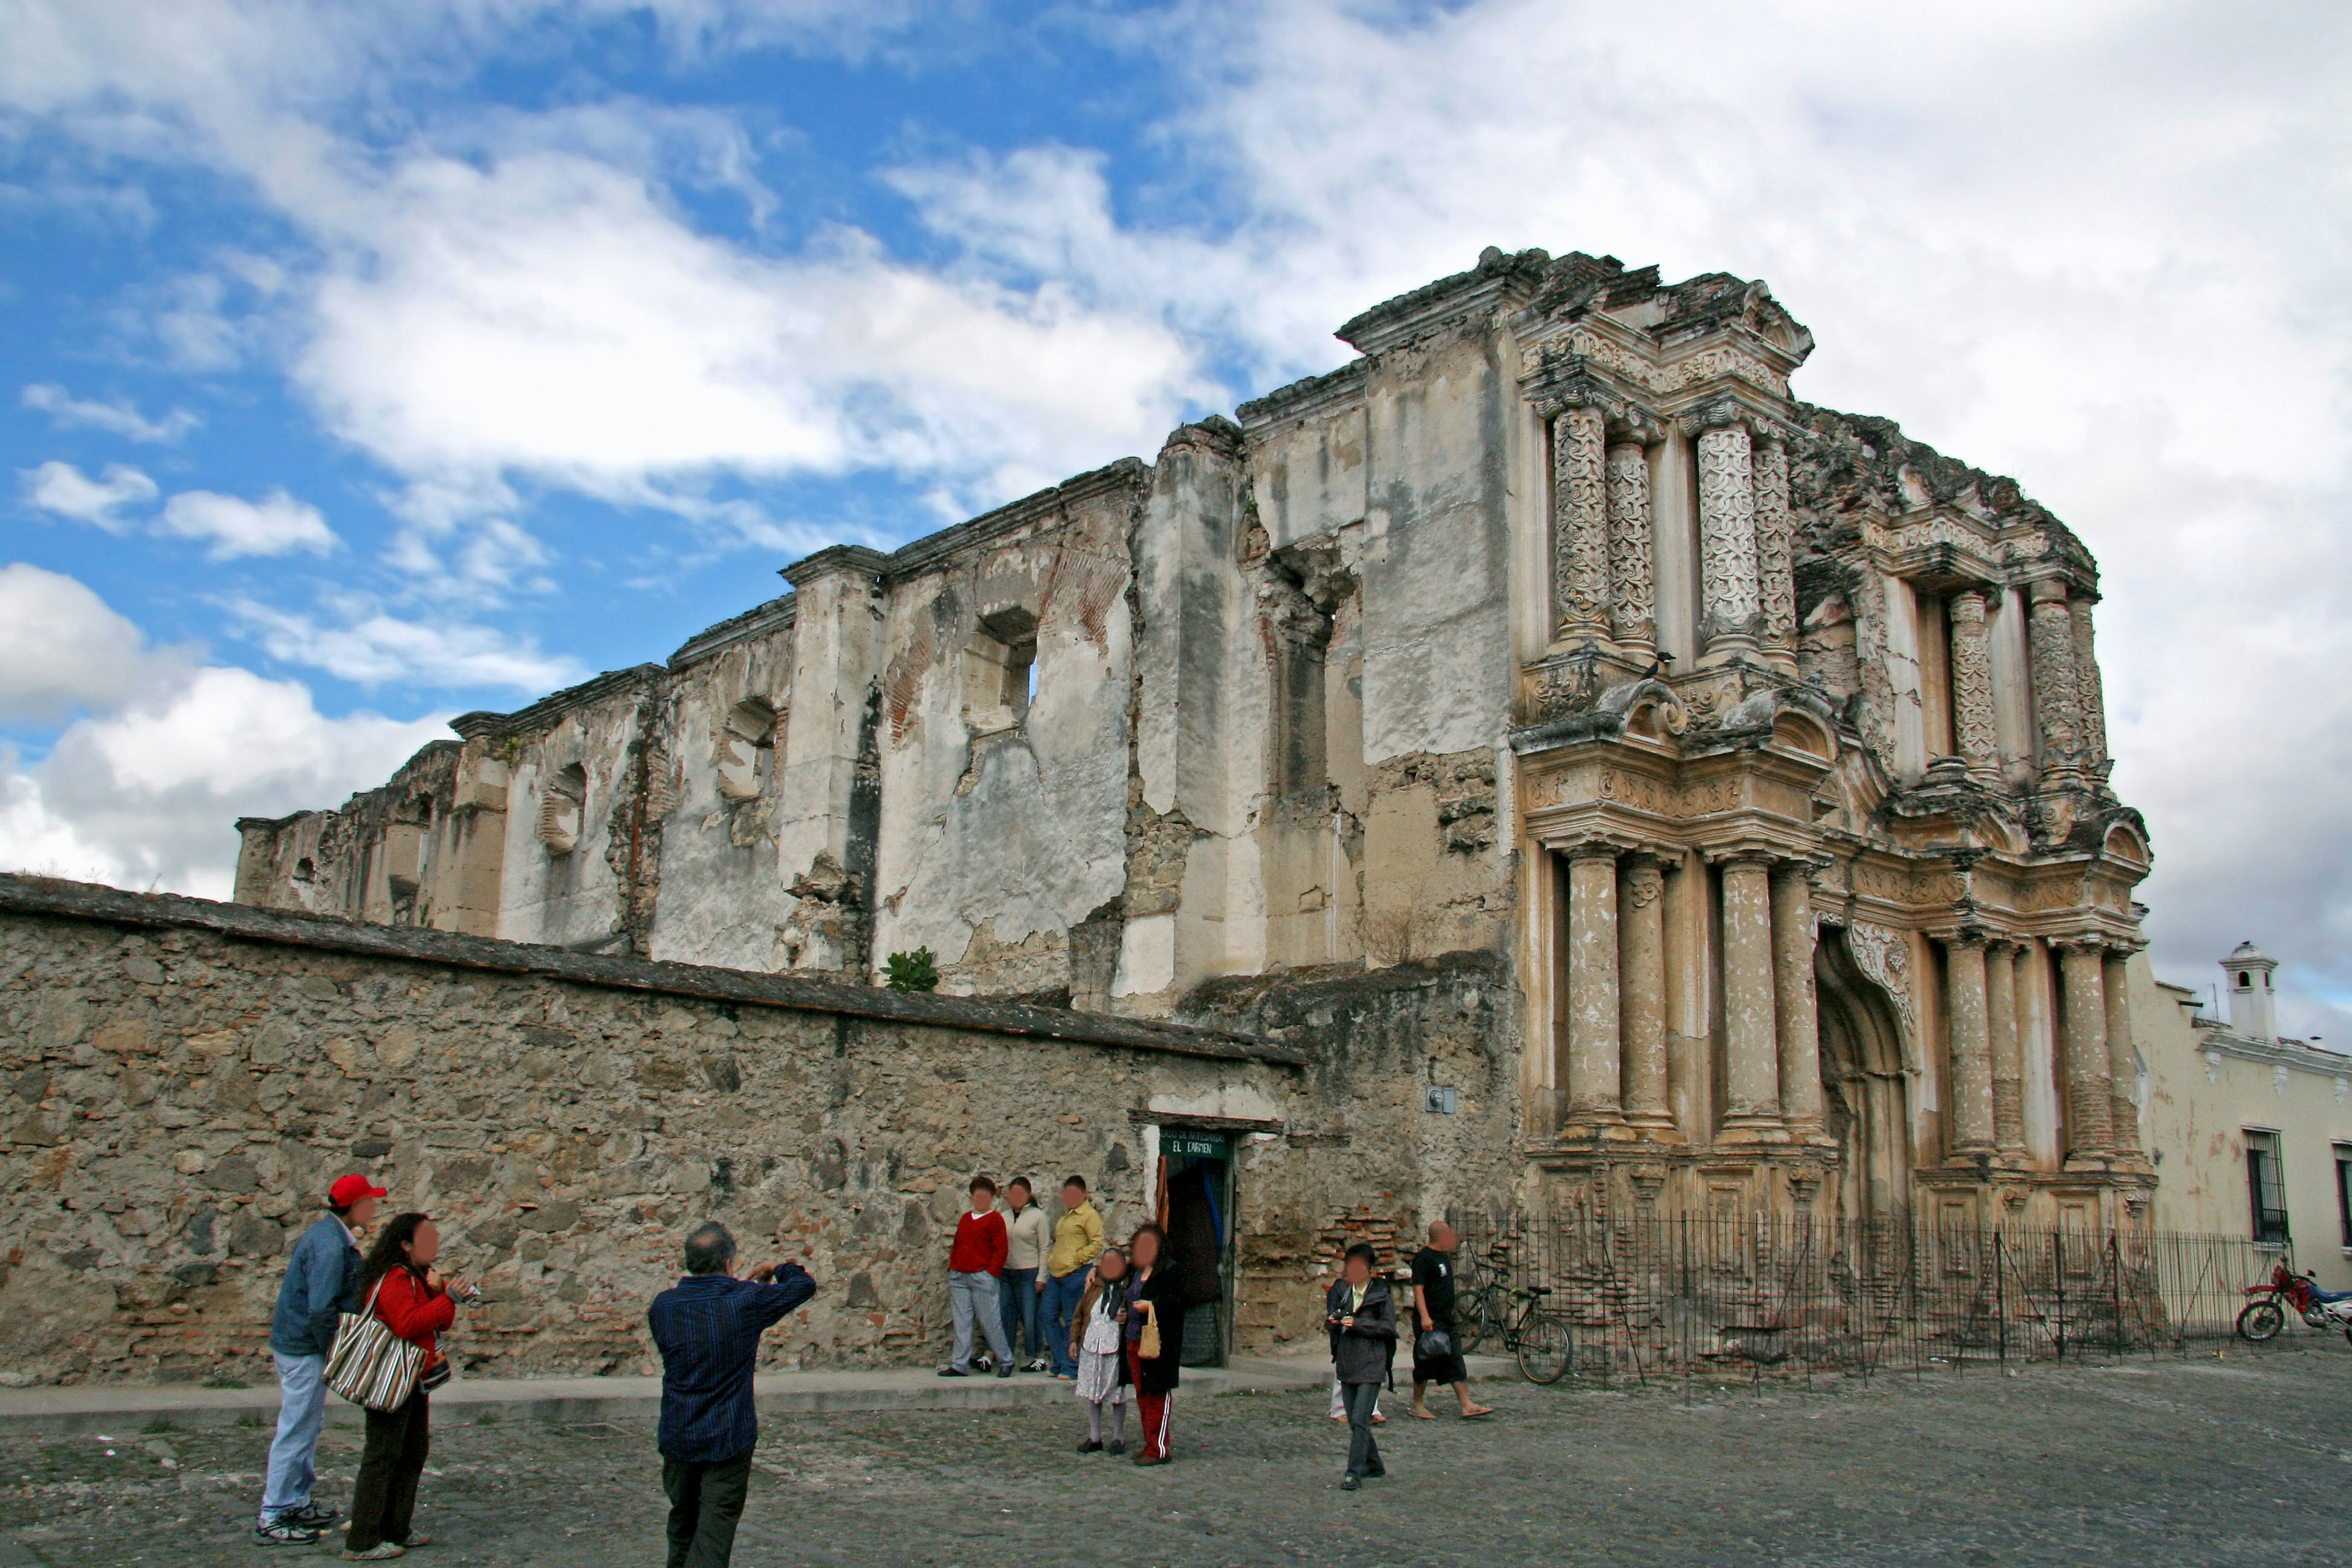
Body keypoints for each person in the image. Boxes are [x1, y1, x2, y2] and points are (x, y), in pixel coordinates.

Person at [648, 1221, 818, 1568]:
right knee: (715, 1527)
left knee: (683, 1523)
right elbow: (803, 1285)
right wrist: (775, 1267)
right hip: (728, 1431)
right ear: (729, 1262)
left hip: (680, 1430)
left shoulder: (664, 1306)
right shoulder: (745, 1301)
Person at [257, 1172, 382, 1547]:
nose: (375, 1207)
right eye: (371, 1202)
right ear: (356, 1206)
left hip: (298, 1344)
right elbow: (321, 1308)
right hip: (304, 1349)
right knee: (296, 1428)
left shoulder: (327, 1235)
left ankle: (296, 1500)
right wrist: (335, 1351)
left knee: (307, 1424)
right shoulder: (330, 1247)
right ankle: (274, 1513)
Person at [341, 1212, 470, 1560]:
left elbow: (439, 1321)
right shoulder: (395, 1278)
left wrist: (441, 1293)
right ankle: (363, 1540)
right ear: (405, 1245)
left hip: (412, 1378)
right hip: (391, 1378)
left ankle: (396, 1528)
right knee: (382, 1456)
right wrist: (448, 1299)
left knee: (412, 1452)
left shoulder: (414, 1278)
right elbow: (407, 1324)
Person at [1325, 1242, 1396, 1491]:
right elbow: (1331, 1323)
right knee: (1359, 1422)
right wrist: (1334, 1322)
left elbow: (1389, 1328)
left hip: (1372, 1364)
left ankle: (1353, 1472)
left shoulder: (1380, 1295)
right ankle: (1374, 1464)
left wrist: (1359, 1324)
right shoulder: (1341, 1291)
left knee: (1359, 1419)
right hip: (1347, 1363)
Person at [1410, 1221, 1493, 1420]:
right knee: (1425, 1362)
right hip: (1431, 1320)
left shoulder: (1444, 1257)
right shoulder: (1424, 1258)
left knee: (1455, 1359)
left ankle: (1467, 1404)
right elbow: (1418, 1288)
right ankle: (1417, 1405)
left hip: (1447, 1319)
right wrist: (1425, 1317)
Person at [1123, 1222, 1187, 1465]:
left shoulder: (1170, 1271)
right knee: (1142, 1394)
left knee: (1157, 1395)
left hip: (1159, 1345)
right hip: (1134, 1340)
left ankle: (1159, 1449)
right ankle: (1150, 1443)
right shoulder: (1136, 1271)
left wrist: (1152, 1305)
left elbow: (1179, 1301)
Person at [940, 1175, 1013, 1378]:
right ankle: (959, 1364)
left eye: (985, 1196)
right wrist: (953, 1266)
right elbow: (958, 1244)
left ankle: (1006, 1360)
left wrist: (991, 1273)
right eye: (978, 1196)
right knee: (962, 1322)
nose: (981, 1199)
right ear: (972, 1197)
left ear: (991, 1198)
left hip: (982, 1277)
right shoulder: (965, 1218)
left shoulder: (995, 1219)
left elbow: (1001, 1250)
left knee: (990, 1321)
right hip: (959, 1277)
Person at [1069, 1245, 1131, 1453]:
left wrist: (1127, 1318)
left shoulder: (1127, 1289)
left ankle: (1118, 1437)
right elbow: (1079, 1315)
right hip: (1091, 1347)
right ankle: (1095, 1436)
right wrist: (1074, 1341)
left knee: (1116, 1393)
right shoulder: (1094, 1288)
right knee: (1093, 1393)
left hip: (1113, 1349)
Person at [1041, 1175, 1105, 1380]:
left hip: (1075, 1274)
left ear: (1084, 1194)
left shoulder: (1089, 1215)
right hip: (1057, 1275)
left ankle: (1072, 1366)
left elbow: (1097, 1243)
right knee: (1048, 1316)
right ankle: (1059, 1361)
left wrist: (1078, 1258)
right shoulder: (1065, 1215)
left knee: (1072, 1321)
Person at [998, 1177, 1052, 1371]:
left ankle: (1038, 1356)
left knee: (1030, 1317)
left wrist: (1042, 1276)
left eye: (1021, 1194)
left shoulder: (1038, 1217)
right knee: (1006, 1315)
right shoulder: (1003, 1217)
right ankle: (1006, 1356)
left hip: (1029, 1273)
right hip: (1006, 1274)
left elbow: (1045, 1248)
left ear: (1028, 1196)